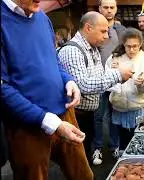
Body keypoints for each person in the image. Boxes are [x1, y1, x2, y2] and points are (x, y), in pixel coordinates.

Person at [1, 0, 94, 179]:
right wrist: (49, 122)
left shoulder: (42, 18)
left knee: (83, 175)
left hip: (65, 113)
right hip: (26, 126)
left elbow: (54, 60)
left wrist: (68, 80)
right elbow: (3, 89)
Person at [58, 11, 133, 165]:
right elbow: (83, 85)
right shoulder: (72, 50)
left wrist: (114, 71)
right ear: (88, 28)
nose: (107, 36)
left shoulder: (92, 48)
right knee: (76, 163)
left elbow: (98, 77)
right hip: (75, 116)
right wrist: (118, 75)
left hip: (87, 114)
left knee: (83, 157)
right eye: (103, 31)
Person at [106, 28, 144, 158]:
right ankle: (121, 155)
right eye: (128, 46)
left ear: (140, 45)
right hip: (119, 105)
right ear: (123, 44)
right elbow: (106, 80)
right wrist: (114, 74)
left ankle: (137, 159)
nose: (132, 50)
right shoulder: (114, 58)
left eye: (135, 46)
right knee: (121, 134)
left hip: (137, 106)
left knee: (137, 136)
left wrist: (142, 83)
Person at [92, 0, 126, 165]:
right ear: (99, 9)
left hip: (115, 81)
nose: (109, 10)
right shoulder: (92, 28)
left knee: (115, 116)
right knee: (98, 116)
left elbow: (129, 51)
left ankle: (114, 146)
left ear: (116, 9)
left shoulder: (121, 30)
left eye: (112, 7)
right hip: (98, 80)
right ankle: (97, 148)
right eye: (105, 7)